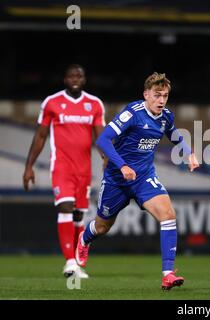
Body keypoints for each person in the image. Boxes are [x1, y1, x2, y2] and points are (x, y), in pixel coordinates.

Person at [75, 72, 199, 290]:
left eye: (165, 96)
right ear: (146, 94)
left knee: (168, 215)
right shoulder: (133, 112)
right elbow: (104, 139)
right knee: (103, 227)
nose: (161, 100)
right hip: (117, 179)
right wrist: (122, 166)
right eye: (157, 95)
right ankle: (84, 239)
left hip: (144, 178)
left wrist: (188, 152)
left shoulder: (165, 116)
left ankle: (168, 274)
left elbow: (173, 134)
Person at [23, 64, 106, 278]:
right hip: (61, 167)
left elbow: (101, 137)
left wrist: (108, 159)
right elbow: (40, 136)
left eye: (79, 75)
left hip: (84, 170)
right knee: (65, 208)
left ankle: (77, 263)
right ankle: (69, 261)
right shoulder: (52, 102)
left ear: (84, 79)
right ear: (65, 79)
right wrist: (29, 166)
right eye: (71, 75)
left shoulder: (94, 104)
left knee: (79, 215)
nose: (75, 78)